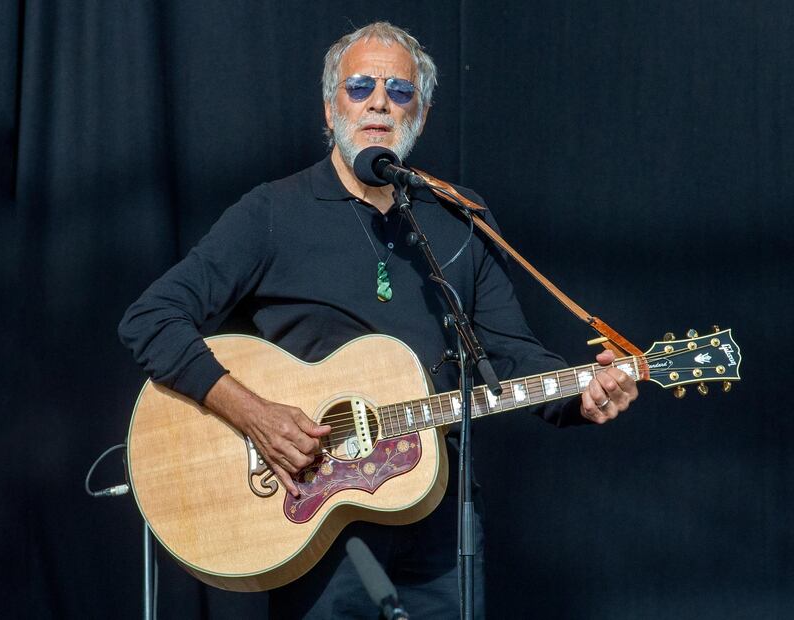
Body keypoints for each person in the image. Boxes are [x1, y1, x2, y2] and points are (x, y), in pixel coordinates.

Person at [119, 21, 638, 618]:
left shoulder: (457, 216)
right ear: (329, 104)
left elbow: (512, 354)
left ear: (421, 110)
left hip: (438, 512)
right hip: (314, 507)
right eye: (360, 85)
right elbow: (150, 317)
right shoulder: (273, 212)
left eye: (399, 90)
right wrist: (253, 413)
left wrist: (583, 394)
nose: (378, 102)